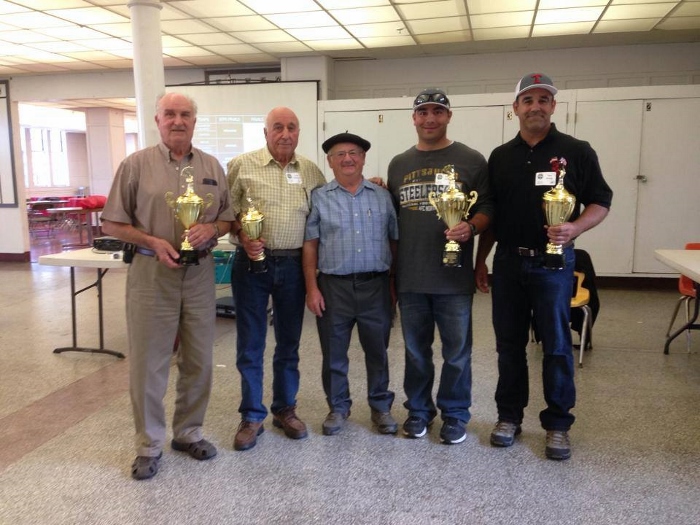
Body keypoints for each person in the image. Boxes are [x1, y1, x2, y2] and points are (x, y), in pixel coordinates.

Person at [475, 73, 613, 460]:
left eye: (543, 100)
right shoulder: (500, 157)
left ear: (554, 106)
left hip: (553, 265)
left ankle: (557, 424)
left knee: (555, 345)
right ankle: (509, 417)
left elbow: (601, 201)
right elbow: (492, 212)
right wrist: (481, 260)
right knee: (508, 346)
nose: (535, 106)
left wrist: (574, 228)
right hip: (506, 262)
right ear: (515, 109)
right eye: (528, 100)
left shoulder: (577, 150)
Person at [101, 92, 235, 480]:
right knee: (149, 363)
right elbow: (111, 224)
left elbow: (227, 218)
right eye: (170, 114)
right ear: (158, 121)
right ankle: (148, 444)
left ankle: (188, 432)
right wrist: (151, 241)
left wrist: (213, 227)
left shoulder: (211, 166)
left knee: (199, 360)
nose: (178, 121)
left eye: (186, 115)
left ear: (195, 121)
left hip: (198, 276)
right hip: (151, 275)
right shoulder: (135, 165)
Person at [387, 88, 493, 444]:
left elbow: (488, 208)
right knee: (415, 352)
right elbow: (392, 218)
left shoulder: (472, 159)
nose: (430, 118)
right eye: (423, 112)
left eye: (437, 111)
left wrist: (472, 226)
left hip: (453, 276)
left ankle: (455, 415)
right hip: (411, 276)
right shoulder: (398, 163)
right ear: (414, 118)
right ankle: (418, 412)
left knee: (457, 354)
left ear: (449, 116)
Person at [227, 107, 326, 451]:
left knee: (289, 343)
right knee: (251, 342)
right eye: (278, 127)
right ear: (265, 132)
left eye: (292, 128)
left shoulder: (311, 171)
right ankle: (252, 415)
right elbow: (228, 214)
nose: (285, 134)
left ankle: (285, 409)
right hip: (252, 264)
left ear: (298, 133)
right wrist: (242, 233)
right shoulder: (242, 165)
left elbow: (324, 213)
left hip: (296, 265)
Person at [303, 132, 399, 436]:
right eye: (339, 154)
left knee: (378, 351)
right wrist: (312, 288)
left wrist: (393, 285)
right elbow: (310, 245)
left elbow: (394, 241)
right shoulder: (319, 197)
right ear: (330, 162)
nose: (348, 159)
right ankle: (338, 407)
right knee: (334, 352)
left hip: (376, 286)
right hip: (334, 288)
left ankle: (380, 406)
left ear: (364, 157)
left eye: (354, 152)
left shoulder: (382, 196)